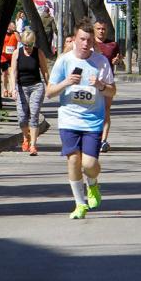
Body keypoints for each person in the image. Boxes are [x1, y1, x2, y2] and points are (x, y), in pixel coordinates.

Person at [46, 19, 116, 219]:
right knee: (74, 160)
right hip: (69, 120)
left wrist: (101, 85)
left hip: (93, 121)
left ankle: (93, 184)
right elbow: (50, 92)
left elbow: (113, 91)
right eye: (82, 39)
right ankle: (79, 203)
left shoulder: (101, 61)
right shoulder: (64, 61)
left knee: (89, 165)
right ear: (74, 39)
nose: (86, 43)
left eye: (89, 40)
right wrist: (66, 82)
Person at [9, 29, 49, 156]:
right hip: (21, 87)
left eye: (30, 45)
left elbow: (45, 71)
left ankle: (33, 145)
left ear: (34, 43)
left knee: (34, 114)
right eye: (25, 45)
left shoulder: (38, 53)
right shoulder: (17, 53)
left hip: (36, 87)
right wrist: (13, 88)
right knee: (22, 118)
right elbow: (13, 72)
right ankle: (26, 137)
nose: (28, 47)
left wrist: (49, 87)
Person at [94, 19, 121, 152]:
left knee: (105, 111)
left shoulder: (112, 44)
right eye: (98, 28)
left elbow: (118, 59)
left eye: (103, 29)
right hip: (91, 82)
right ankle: (93, 137)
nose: (101, 31)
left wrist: (117, 61)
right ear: (94, 29)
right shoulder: (89, 44)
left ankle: (103, 140)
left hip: (107, 82)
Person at [0, 22, 18, 97]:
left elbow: (20, 40)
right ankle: (5, 89)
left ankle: (11, 90)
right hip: (4, 56)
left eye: (14, 26)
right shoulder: (3, 33)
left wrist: (16, 31)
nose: (12, 27)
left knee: (11, 72)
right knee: (4, 74)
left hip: (12, 56)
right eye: (11, 26)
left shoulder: (15, 34)